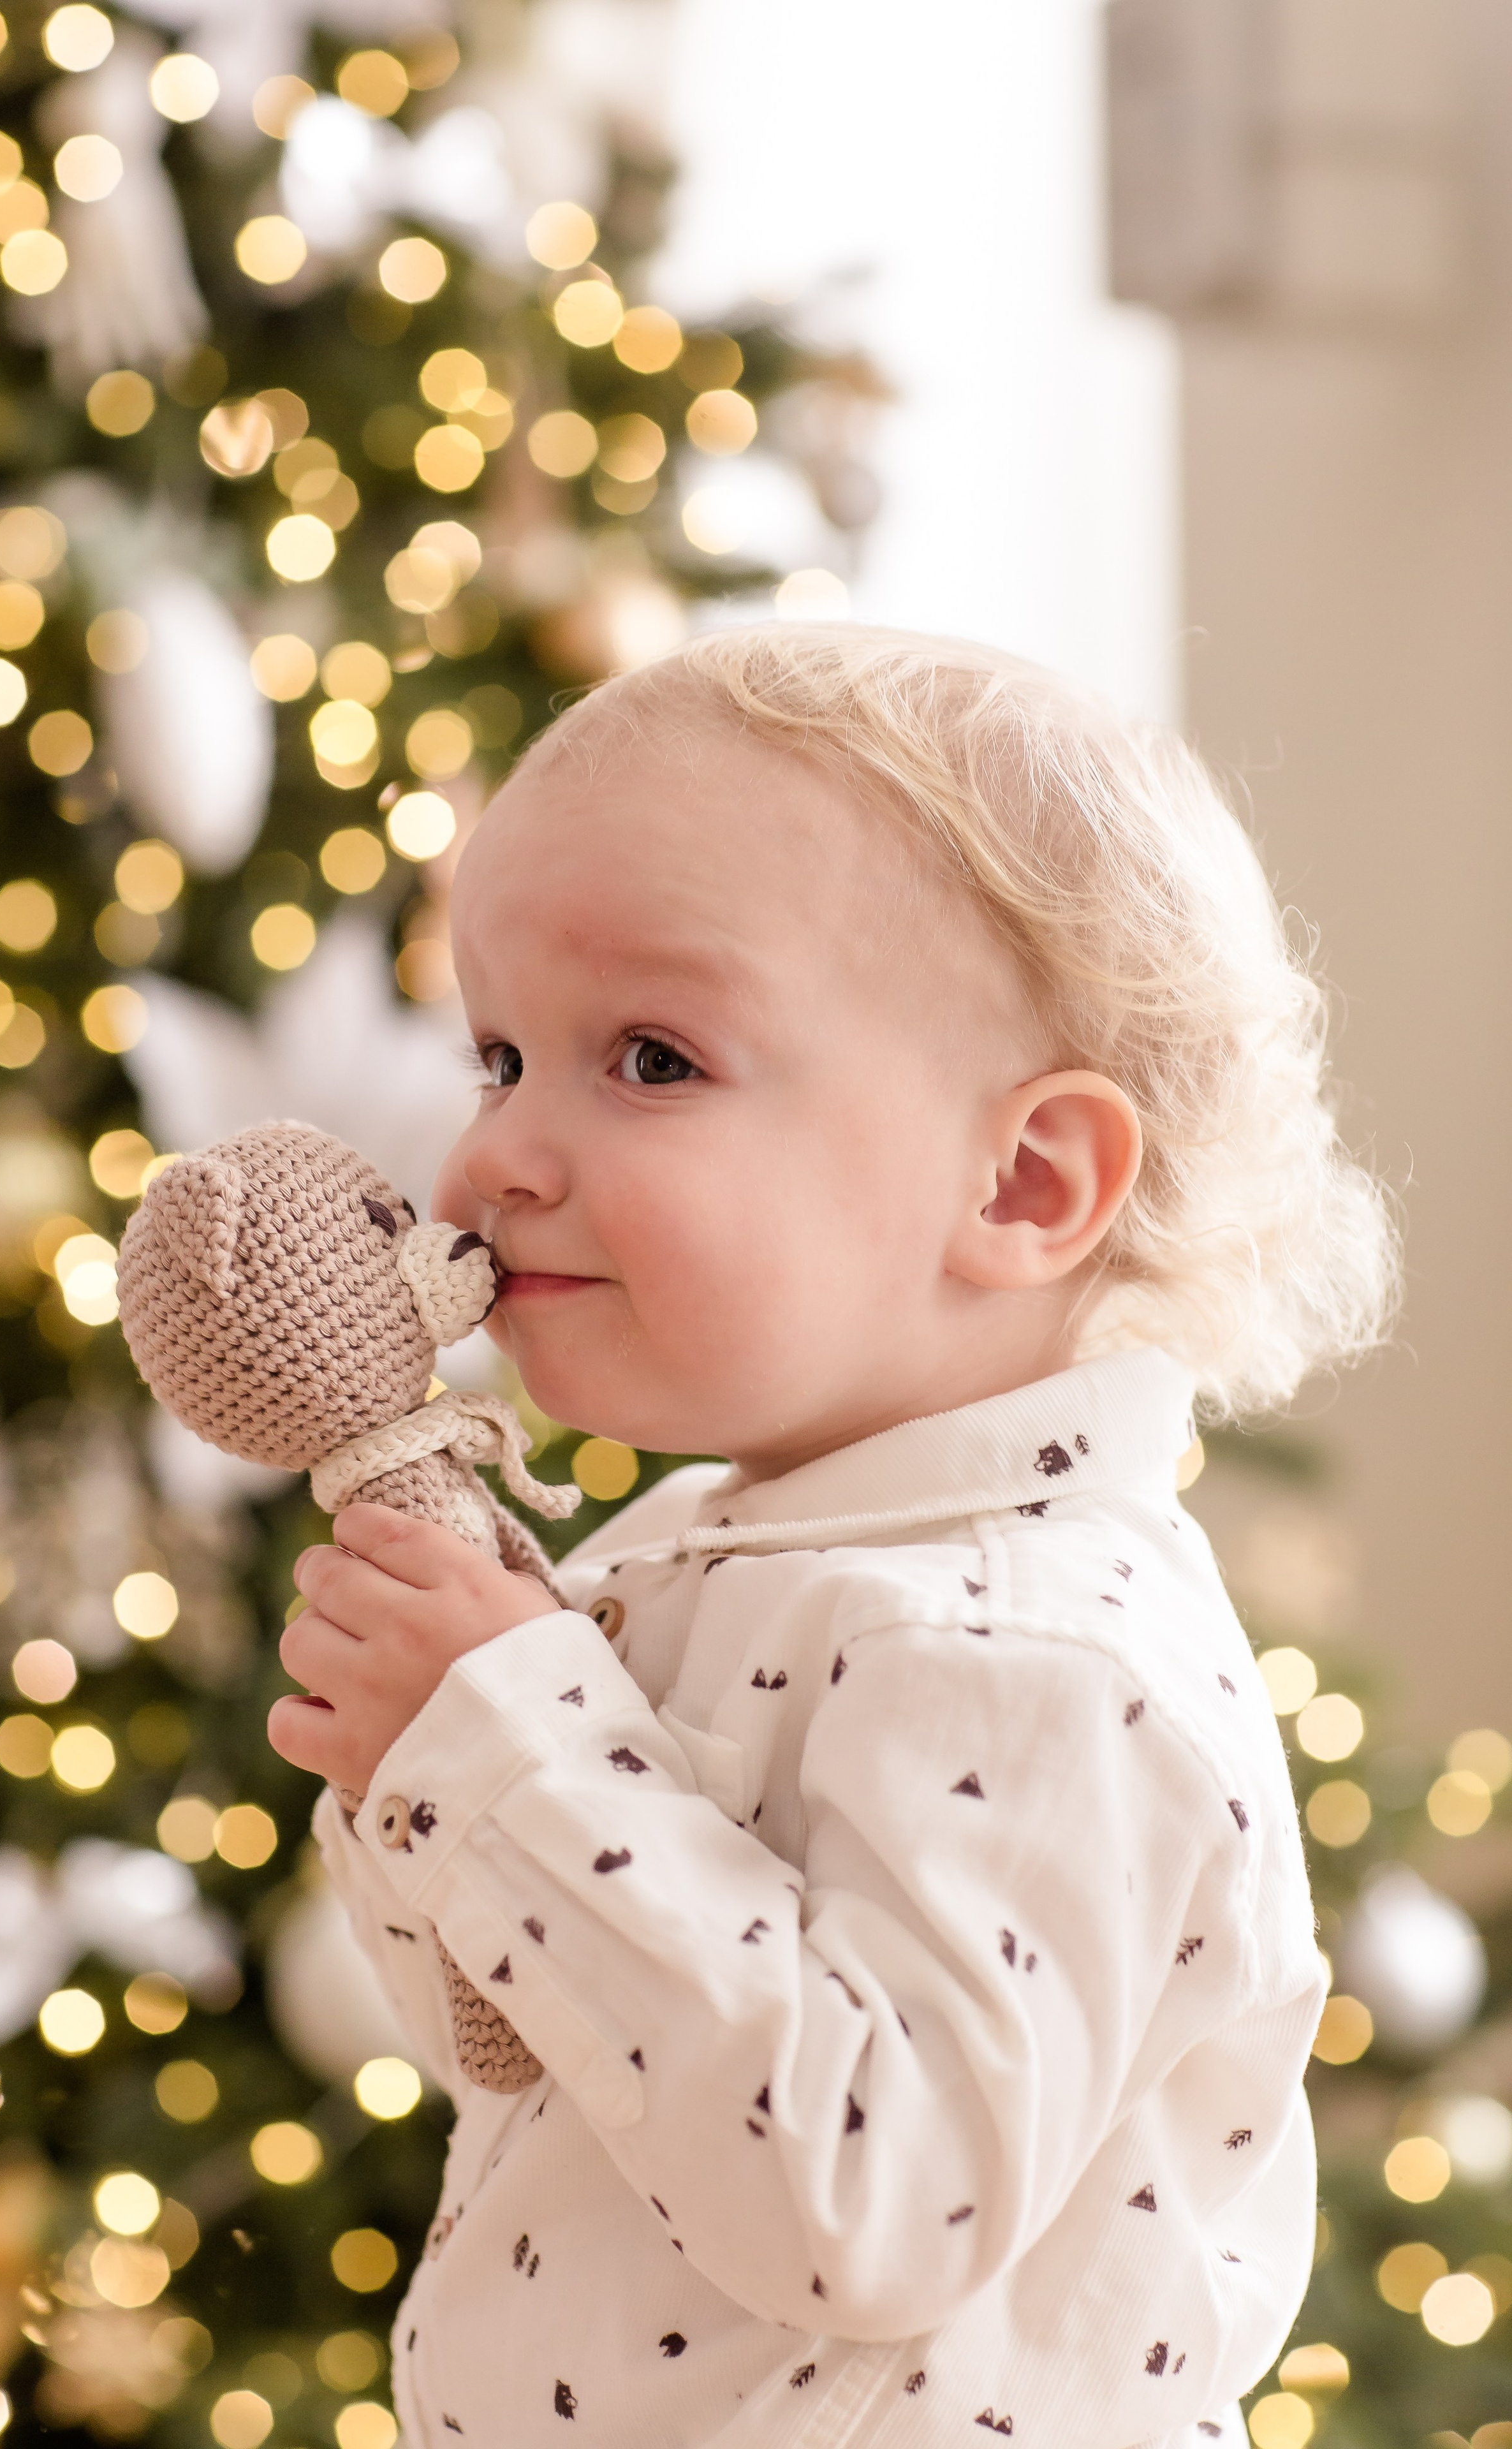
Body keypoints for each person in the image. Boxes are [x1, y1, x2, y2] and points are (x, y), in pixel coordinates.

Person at [267, 627, 1397, 2449]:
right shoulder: (713, 1545)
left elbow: (867, 2202)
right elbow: (531, 2050)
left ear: (1021, 1184)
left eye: (646, 1057)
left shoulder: (1040, 1656)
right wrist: (421, 1785)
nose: (490, 1163)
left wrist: (509, 1762)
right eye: (497, 1055)